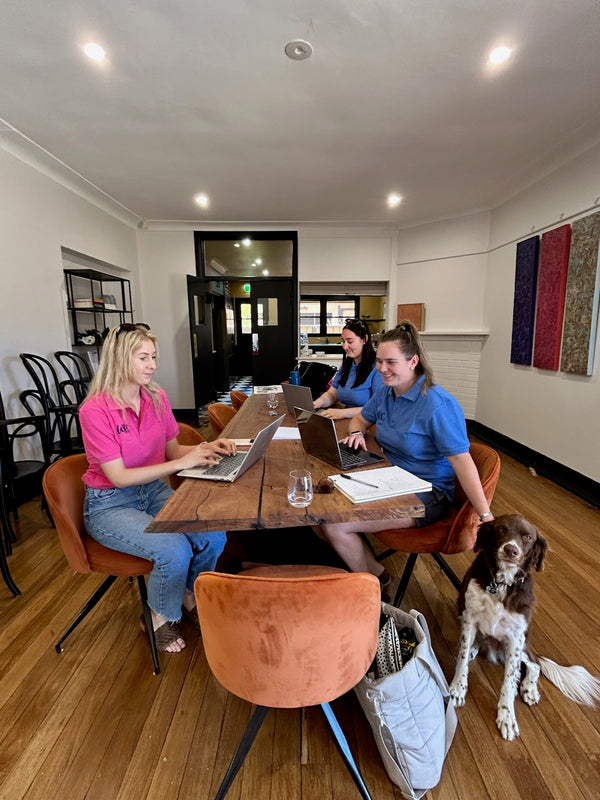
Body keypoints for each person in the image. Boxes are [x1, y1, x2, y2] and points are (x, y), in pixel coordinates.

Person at [79, 322, 237, 653]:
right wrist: (182, 463)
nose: (152, 365)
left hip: (150, 492)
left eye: (154, 356)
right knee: (173, 549)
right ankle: (157, 615)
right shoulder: (94, 410)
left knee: (213, 534)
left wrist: (206, 448)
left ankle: (187, 595)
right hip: (110, 503)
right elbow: (119, 476)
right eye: (143, 358)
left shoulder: (156, 397)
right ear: (121, 358)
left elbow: (172, 451)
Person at [316, 320, 494, 590]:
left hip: (427, 494)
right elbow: (360, 420)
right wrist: (356, 434)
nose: (382, 369)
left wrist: (485, 514)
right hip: (390, 478)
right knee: (318, 513)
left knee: (335, 525)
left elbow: (462, 460)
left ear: (413, 362)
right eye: (379, 362)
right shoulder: (387, 393)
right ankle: (375, 574)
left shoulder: (437, 404)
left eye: (391, 362)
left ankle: (369, 591)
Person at [313, 318, 383, 419]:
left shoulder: (378, 368)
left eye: (350, 341)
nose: (345, 346)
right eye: (343, 341)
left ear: (364, 339)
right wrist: (318, 403)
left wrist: (343, 413)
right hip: (347, 420)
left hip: (367, 424)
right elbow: (333, 394)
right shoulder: (347, 365)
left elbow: (378, 407)